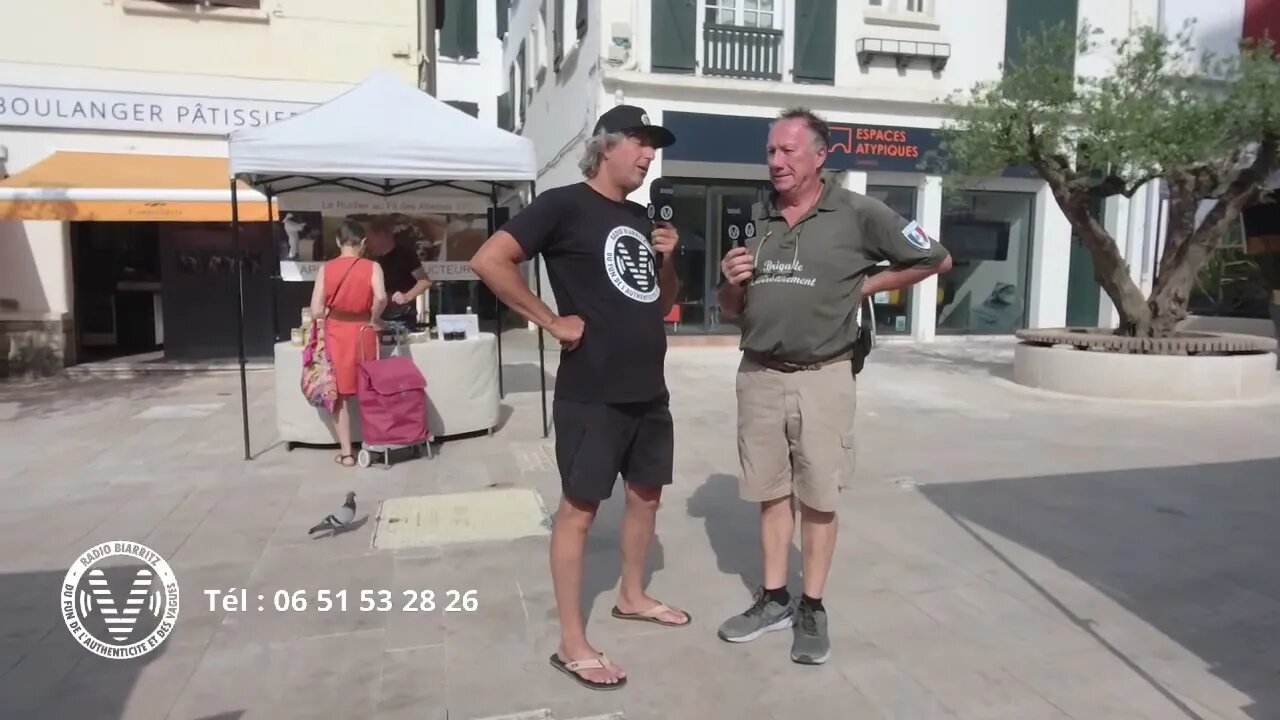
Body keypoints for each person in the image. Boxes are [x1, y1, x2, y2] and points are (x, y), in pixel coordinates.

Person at [714, 107, 952, 665]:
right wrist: (728, 285)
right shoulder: (756, 218)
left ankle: (812, 606)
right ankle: (773, 599)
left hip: (824, 377)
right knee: (770, 493)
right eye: (771, 151)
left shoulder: (859, 212)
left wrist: (867, 285)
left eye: (788, 151)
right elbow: (732, 310)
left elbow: (936, 257)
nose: (776, 161)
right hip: (759, 375)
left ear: (821, 156)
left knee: (819, 498)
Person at [469, 105, 688, 691]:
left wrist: (667, 257)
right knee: (580, 510)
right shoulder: (563, 205)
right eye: (639, 144)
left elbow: (661, 298)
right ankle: (571, 642)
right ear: (606, 147)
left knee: (646, 495)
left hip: (649, 387)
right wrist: (551, 321)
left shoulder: (643, 218)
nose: (647, 156)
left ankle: (633, 596)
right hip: (591, 391)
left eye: (652, 147)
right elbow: (490, 260)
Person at [308, 219, 388, 466]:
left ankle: (347, 453)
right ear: (363, 242)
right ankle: (372, 445)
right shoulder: (373, 267)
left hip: (336, 334)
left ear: (337, 241)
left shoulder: (326, 269)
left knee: (338, 394)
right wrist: (375, 318)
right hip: (364, 332)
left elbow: (315, 309)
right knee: (368, 390)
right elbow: (382, 297)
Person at [366, 215, 430, 329]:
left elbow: (424, 281)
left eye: (370, 238)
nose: (368, 243)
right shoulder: (370, 259)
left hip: (400, 317)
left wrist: (406, 296)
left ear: (381, 235)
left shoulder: (406, 255)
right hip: (376, 317)